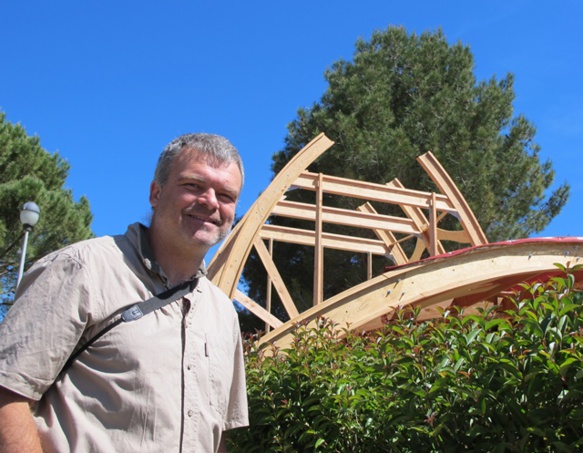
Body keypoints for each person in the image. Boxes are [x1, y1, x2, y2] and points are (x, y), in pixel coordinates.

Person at [0, 133, 249, 452]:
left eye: (226, 195)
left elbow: (219, 437)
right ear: (156, 193)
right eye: (193, 186)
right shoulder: (82, 269)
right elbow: (8, 392)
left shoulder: (223, 314)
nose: (211, 202)